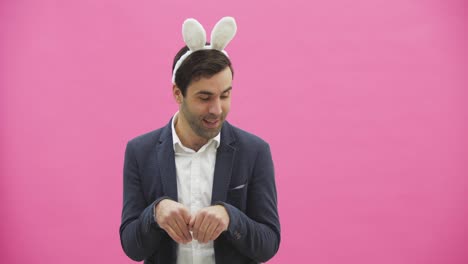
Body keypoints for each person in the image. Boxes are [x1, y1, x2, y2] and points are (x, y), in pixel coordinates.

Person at [119, 17, 280, 264]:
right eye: (204, 97)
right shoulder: (140, 152)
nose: (217, 109)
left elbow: (268, 244)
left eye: (225, 95)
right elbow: (132, 247)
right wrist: (155, 213)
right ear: (177, 93)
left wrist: (230, 217)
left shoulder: (255, 151)